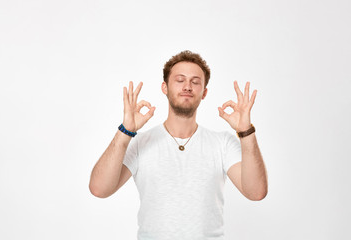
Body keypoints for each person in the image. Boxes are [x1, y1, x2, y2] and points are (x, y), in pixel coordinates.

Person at [89, 50, 268, 240]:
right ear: (164, 87)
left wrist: (246, 131)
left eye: (195, 81)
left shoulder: (222, 143)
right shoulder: (141, 143)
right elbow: (99, 189)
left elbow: (256, 192)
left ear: (204, 92)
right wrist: (125, 131)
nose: (187, 87)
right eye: (180, 80)